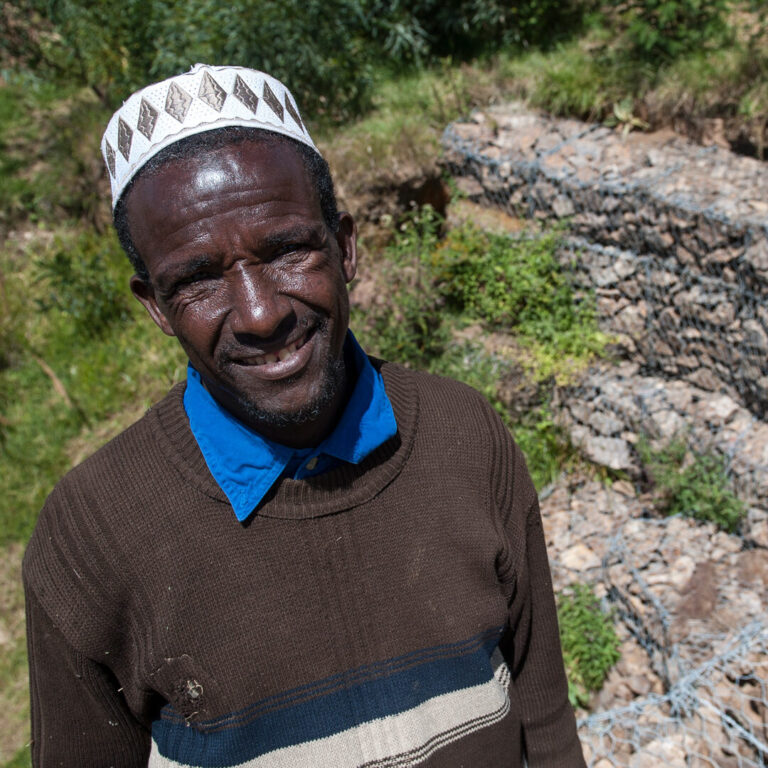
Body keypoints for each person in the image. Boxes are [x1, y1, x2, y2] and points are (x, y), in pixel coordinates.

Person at [23, 64, 585, 767]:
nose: (261, 314)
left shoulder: (465, 435)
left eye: (288, 250)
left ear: (345, 245)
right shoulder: (91, 535)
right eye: (198, 279)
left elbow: (546, 721)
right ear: (155, 307)